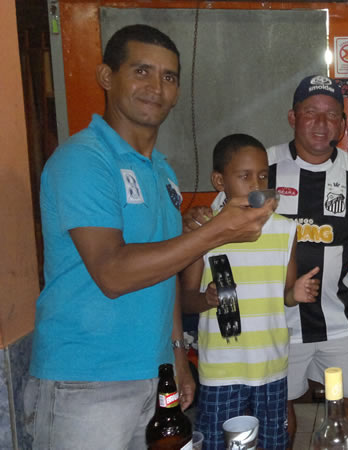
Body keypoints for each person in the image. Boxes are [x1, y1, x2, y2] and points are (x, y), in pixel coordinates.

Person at [26, 25, 272, 449]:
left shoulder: (162, 172)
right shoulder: (83, 160)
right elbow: (113, 273)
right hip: (85, 382)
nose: (156, 88)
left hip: (154, 375)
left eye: (168, 77)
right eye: (141, 71)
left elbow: (166, 270)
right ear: (107, 76)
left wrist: (176, 354)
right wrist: (216, 231)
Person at [180, 134, 321, 449]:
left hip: (271, 365)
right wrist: (206, 299)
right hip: (221, 369)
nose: (256, 186)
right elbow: (185, 300)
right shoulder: (203, 229)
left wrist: (296, 293)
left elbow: (284, 294)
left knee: (272, 443)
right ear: (220, 181)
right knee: (218, 443)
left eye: (263, 176)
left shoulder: (285, 229)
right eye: (244, 177)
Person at [269, 75, 348, 447]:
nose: (321, 123)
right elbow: (222, 225)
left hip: (340, 318)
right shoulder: (262, 167)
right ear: (292, 117)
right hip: (277, 318)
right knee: (278, 406)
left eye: (331, 115)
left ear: (343, 124)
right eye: (310, 112)